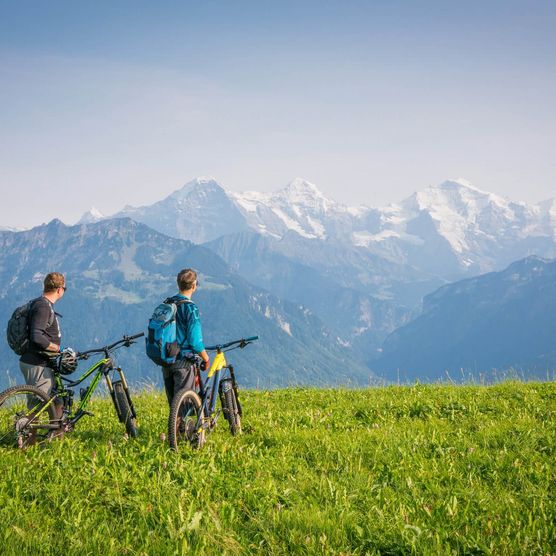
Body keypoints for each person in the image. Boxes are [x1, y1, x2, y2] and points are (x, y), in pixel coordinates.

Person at [19, 272, 66, 422]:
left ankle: (57, 441)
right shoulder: (43, 306)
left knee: (58, 401)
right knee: (36, 408)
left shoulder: (44, 305)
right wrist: (55, 348)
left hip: (44, 363)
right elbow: (36, 336)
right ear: (60, 289)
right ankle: (28, 444)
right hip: (37, 364)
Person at [162, 268, 210, 407]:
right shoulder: (190, 308)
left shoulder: (168, 303)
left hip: (166, 359)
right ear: (194, 286)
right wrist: (206, 358)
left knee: (174, 406)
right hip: (183, 361)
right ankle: (183, 428)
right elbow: (195, 342)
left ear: (178, 284)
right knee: (183, 404)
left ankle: (175, 427)